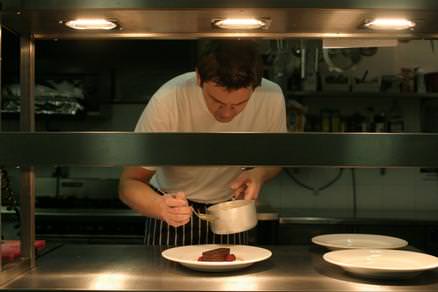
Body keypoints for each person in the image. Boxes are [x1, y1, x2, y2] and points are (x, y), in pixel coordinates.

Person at [119, 39, 287, 246]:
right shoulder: (169, 98)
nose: (226, 114)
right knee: (165, 277)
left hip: (230, 210)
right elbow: (129, 183)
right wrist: (159, 207)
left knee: (232, 275)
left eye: (239, 104)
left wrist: (259, 173)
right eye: (216, 101)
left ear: (255, 87)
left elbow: (277, 159)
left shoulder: (271, 96)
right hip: (171, 209)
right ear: (199, 78)